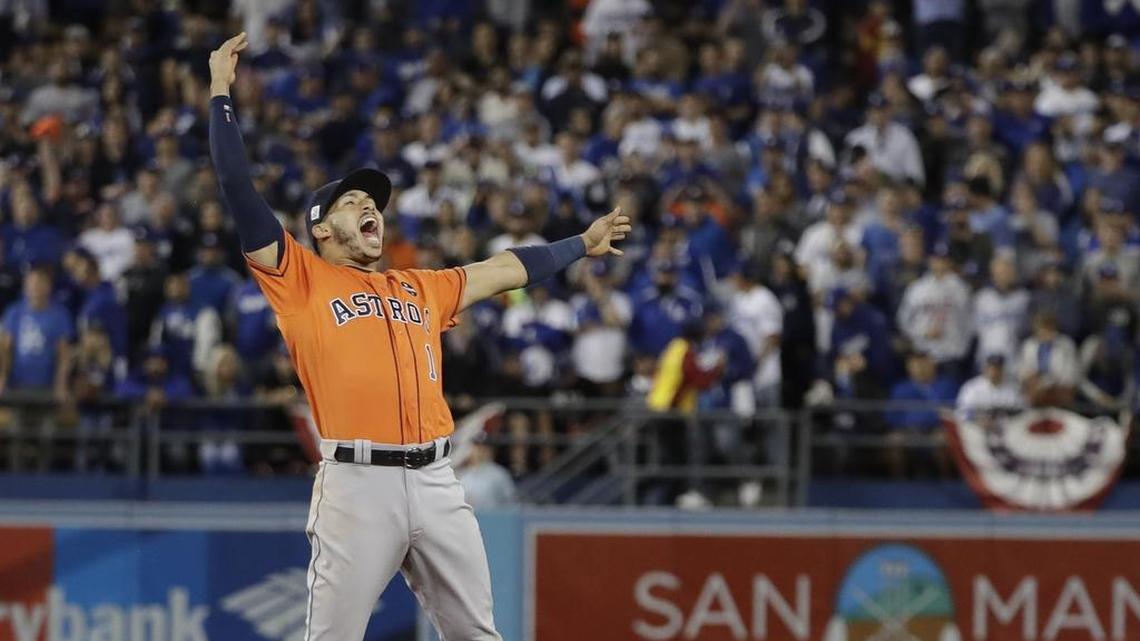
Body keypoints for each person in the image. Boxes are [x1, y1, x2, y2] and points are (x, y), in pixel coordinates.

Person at [208, 33, 632, 641]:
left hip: (437, 478)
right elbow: (236, 186)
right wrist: (221, 90)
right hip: (357, 484)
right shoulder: (299, 279)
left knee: (478, 636)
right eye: (354, 201)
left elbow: (504, 269)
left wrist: (581, 245)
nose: (370, 207)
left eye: (374, 202)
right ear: (321, 229)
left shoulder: (418, 287)